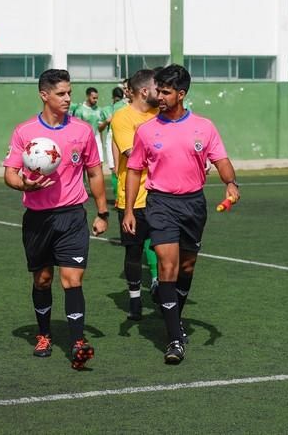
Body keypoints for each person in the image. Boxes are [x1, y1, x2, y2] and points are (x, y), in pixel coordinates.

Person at [122, 64, 239, 364]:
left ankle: (172, 310)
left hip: (193, 205)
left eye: (165, 91)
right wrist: (130, 211)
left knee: (186, 268)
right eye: (157, 90)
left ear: (181, 94)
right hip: (160, 203)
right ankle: (174, 340)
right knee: (167, 264)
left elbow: (221, 160)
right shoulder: (146, 131)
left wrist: (231, 184)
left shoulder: (204, 127)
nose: (159, 96)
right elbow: (134, 170)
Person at [3, 69, 108, 370]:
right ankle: (44, 334)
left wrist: (102, 212)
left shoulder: (82, 131)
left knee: (72, 280)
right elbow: (10, 173)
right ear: (44, 95)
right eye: (61, 93)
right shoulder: (24, 132)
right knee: (43, 279)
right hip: (37, 218)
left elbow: (95, 172)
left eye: (69, 93)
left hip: (72, 215)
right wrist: (24, 184)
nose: (67, 98)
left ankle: (77, 342)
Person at [111, 69, 161, 321]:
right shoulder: (122, 118)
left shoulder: (162, 114)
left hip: (161, 196)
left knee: (166, 247)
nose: (161, 91)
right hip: (133, 197)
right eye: (157, 87)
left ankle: (159, 285)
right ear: (144, 91)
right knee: (133, 251)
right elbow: (133, 155)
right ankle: (134, 299)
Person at [71, 87, 112, 171]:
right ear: (88, 96)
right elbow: (77, 128)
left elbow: (100, 129)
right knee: (82, 166)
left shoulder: (99, 110)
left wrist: (106, 122)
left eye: (97, 98)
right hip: (83, 140)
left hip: (96, 140)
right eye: (94, 98)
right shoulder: (80, 110)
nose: (96, 100)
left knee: (98, 165)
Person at [99, 86, 128, 197]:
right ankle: (120, 196)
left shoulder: (124, 107)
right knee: (117, 166)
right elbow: (100, 128)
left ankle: (120, 196)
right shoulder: (109, 109)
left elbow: (100, 128)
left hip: (117, 135)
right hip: (118, 135)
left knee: (117, 167)